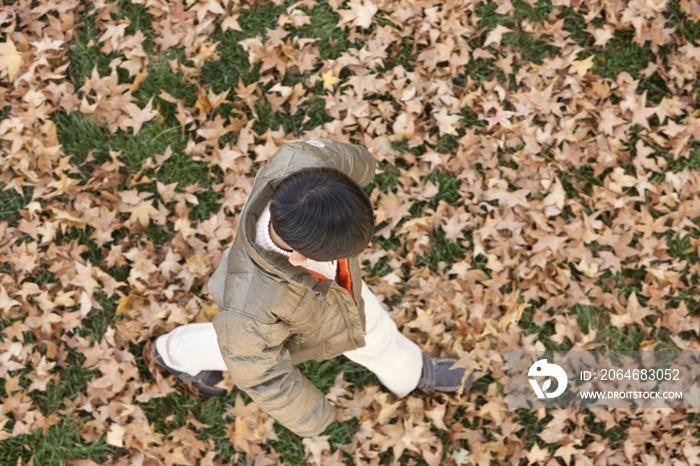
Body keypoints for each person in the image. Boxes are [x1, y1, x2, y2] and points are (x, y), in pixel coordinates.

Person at [149, 138, 473, 437]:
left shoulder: (302, 160)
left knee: (370, 326)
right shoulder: (251, 309)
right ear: (301, 257)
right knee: (232, 350)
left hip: (336, 296)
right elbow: (263, 375)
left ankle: (411, 372)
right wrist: (312, 417)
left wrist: (365, 165)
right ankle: (170, 354)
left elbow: (343, 157)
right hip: (278, 320)